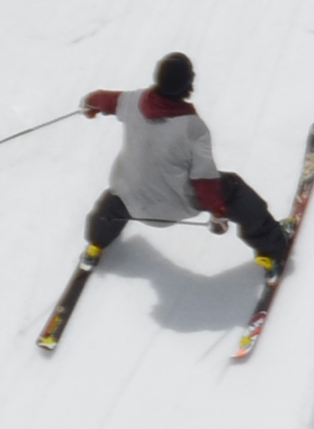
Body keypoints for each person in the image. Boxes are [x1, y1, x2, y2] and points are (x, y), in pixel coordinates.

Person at [79, 50, 300, 274]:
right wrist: (218, 212)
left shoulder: (132, 101)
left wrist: (90, 103)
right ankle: (273, 250)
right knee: (233, 189)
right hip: (173, 205)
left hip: (129, 201)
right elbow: (205, 181)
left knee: (117, 198)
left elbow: (103, 100)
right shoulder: (193, 128)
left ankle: (96, 244)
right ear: (188, 85)